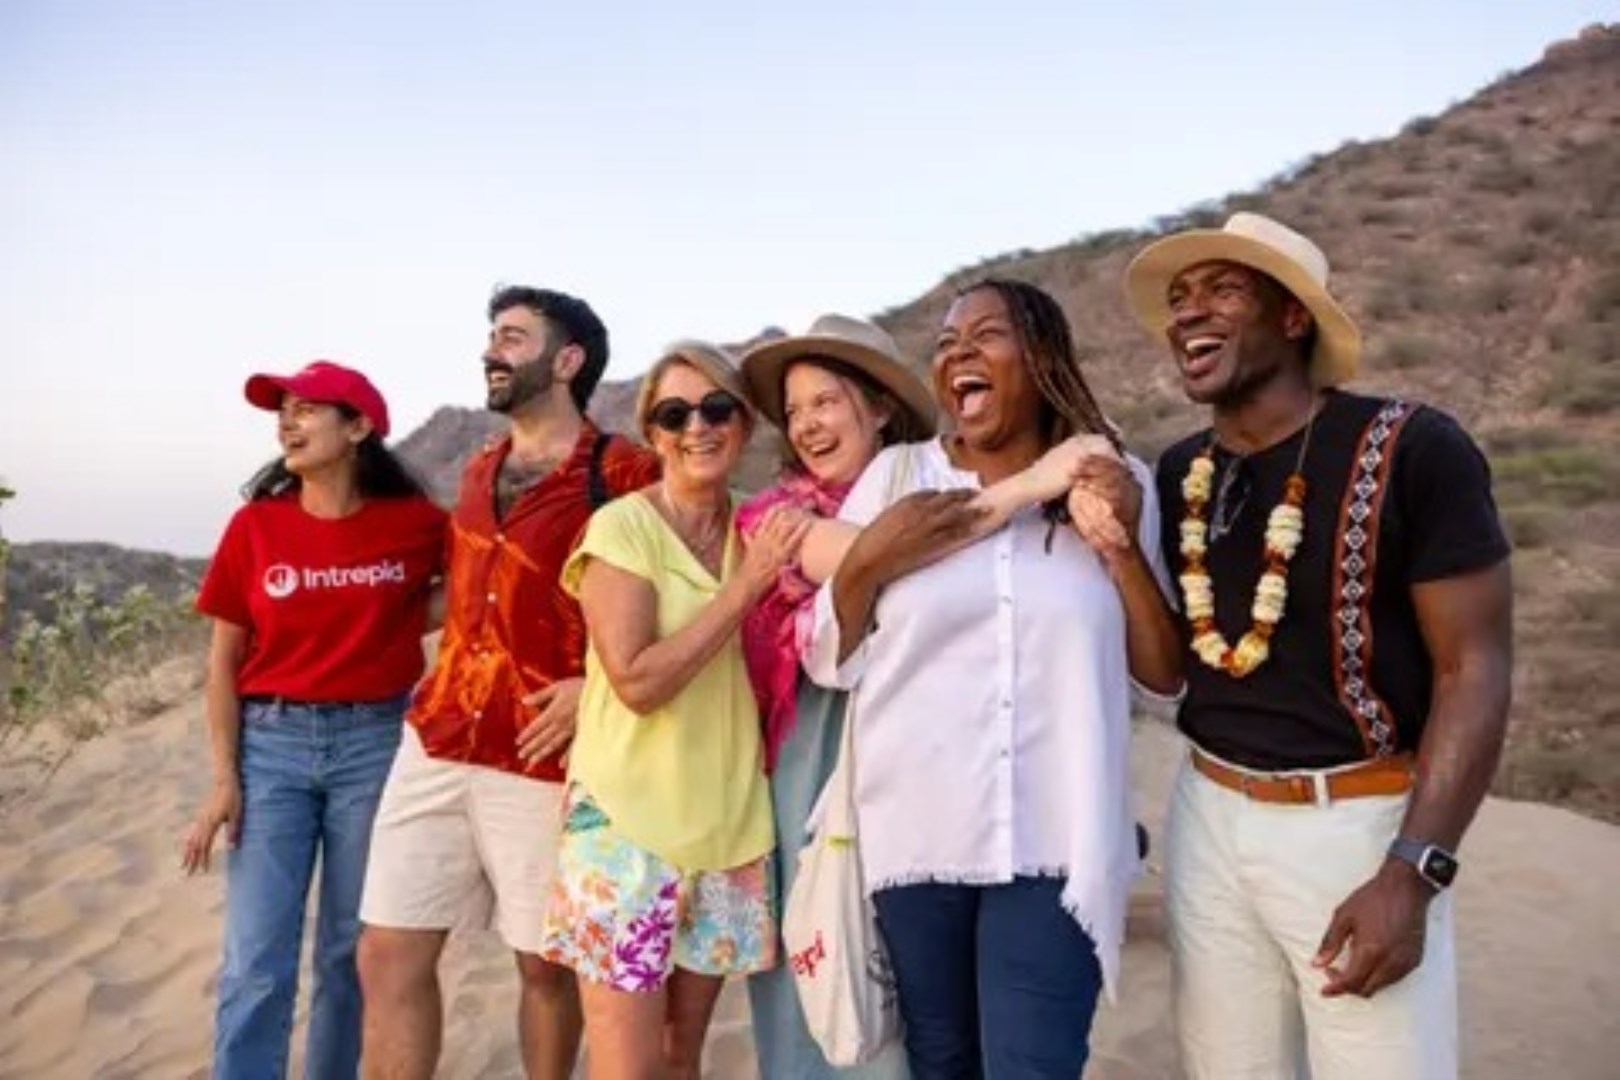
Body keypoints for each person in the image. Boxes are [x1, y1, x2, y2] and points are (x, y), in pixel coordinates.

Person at [1125, 212, 1513, 1080]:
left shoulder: (1413, 448)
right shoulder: (1181, 471)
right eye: (1180, 298)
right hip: (1207, 814)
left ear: (1294, 317)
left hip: (1355, 825)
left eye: (1224, 290)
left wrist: (1413, 869)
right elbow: (1172, 667)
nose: (1189, 312)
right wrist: (1115, 545)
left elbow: (1475, 667)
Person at [803, 280, 1185, 1078]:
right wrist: (872, 556)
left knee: (1031, 1065)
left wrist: (1116, 544)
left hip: (1060, 836)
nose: (958, 354)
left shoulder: (1120, 478)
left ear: (1041, 357)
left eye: (985, 335)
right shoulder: (899, 475)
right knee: (943, 1062)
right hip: (916, 832)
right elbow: (830, 652)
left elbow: (1162, 678)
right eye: (946, 343)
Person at [356, 287, 659, 1080]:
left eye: (514, 338)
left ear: (567, 360)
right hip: (437, 737)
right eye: (493, 336)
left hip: (541, 751)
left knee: (543, 966)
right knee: (386, 950)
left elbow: (677, 598)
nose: (493, 351)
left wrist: (596, 685)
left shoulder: (627, 472)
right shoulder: (478, 467)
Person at [537, 341, 808, 1080]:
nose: (698, 427)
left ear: (744, 423)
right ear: (651, 433)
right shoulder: (623, 528)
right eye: (674, 414)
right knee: (628, 1067)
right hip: (626, 830)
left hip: (728, 831)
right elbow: (636, 680)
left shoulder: (761, 526)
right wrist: (746, 587)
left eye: (717, 408)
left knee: (679, 1058)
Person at [181, 360, 447, 1080]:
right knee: (255, 958)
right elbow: (222, 662)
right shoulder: (256, 527)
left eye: (306, 409)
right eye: (283, 411)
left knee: (350, 953)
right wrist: (224, 778)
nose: (286, 423)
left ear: (357, 428)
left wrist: (401, 620)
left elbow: (478, 582)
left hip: (375, 743)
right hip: (270, 748)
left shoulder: (415, 523)